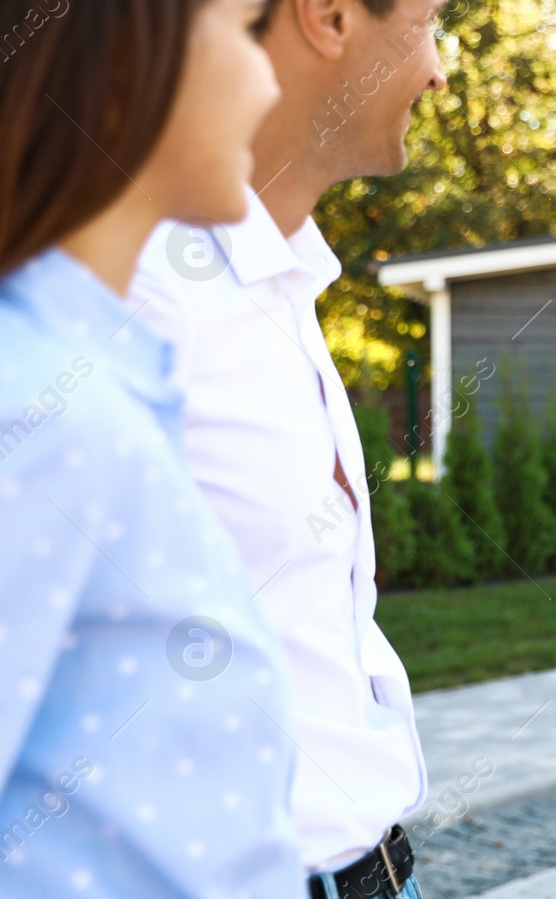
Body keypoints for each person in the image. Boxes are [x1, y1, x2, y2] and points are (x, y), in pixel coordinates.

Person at [127, 0, 447, 896]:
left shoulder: (285, 279)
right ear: (332, 17)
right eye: (429, 22)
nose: (439, 69)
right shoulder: (139, 293)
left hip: (380, 869)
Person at [0, 1, 307, 896]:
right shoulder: (43, 410)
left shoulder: (102, 374)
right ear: (133, 54)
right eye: (246, 28)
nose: (268, 76)